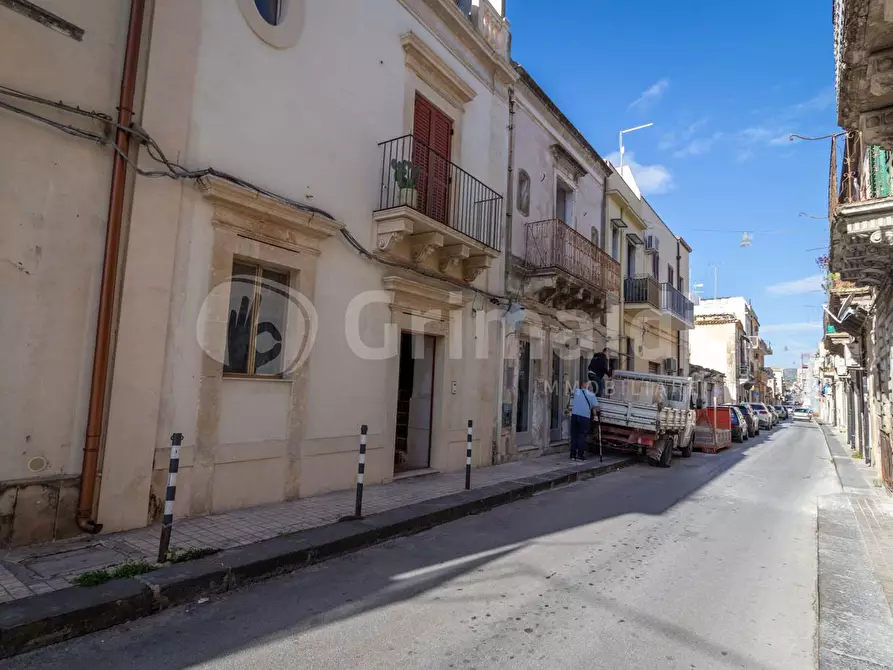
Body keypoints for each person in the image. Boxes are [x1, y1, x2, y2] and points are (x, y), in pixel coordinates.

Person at [569, 381, 599, 461]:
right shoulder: (592, 395)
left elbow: (570, 393)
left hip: (574, 415)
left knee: (574, 435)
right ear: (589, 387)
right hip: (585, 417)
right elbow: (596, 407)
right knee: (582, 436)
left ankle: (572, 455)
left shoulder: (577, 391)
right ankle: (580, 455)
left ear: (582, 386)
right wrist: (595, 416)